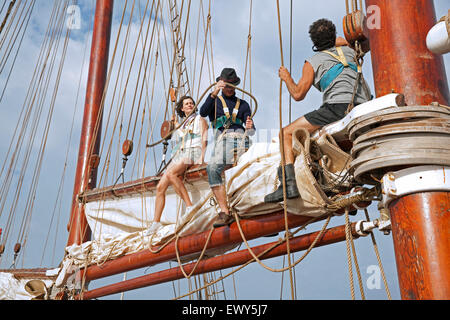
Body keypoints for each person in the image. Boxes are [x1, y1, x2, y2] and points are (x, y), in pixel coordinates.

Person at [264, 18, 371, 203]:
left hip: (336, 108)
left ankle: (288, 184)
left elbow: (298, 94)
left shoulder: (312, 62)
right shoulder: (350, 51)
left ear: (313, 42)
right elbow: (364, 41)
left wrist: (286, 77)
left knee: (285, 134)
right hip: (363, 105)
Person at [200, 68, 255, 228]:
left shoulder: (243, 105)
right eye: (227, 86)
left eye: (232, 86)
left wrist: (250, 127)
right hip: (224, 140)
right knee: (213, 168)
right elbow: (203, 112)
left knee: (248, 171)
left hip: (242, 140)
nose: (230, 89)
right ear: (222, 84)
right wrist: (214, 92)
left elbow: (251, 131)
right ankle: (225, 211)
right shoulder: (215, 101)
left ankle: (254, 211)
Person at [148, 96, 208, 234]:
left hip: (194, 152)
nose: (190, 105)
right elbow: (182, 135)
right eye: (187, 104)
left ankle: (189, 206)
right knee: (160, 187)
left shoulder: (200, 120)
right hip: (180, 154)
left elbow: (204, 139)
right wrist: (175, 126)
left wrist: (202, 158)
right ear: (182, 108)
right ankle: (156, 222)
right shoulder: (183, 124)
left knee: (171, 174)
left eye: (191, 103)